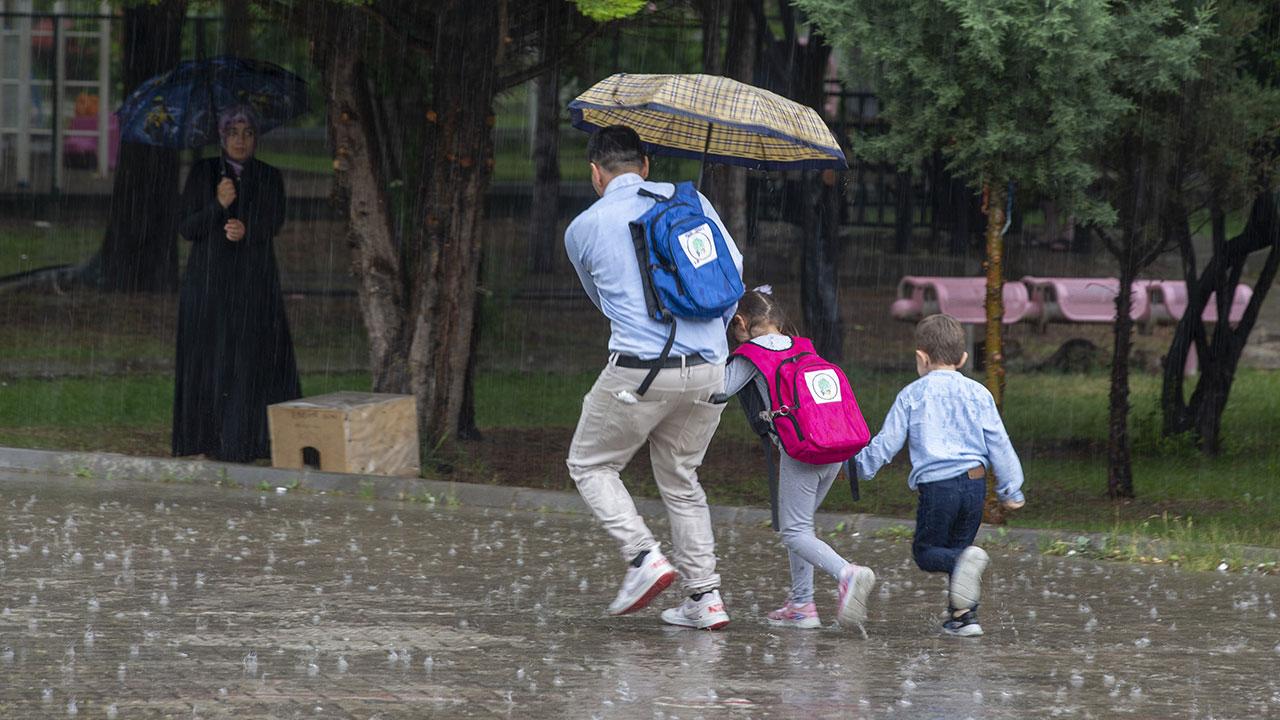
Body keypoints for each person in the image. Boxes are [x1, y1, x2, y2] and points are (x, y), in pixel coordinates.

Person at [564, 125, 743, 630]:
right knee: (682, 479)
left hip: (641, 371)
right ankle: (705, 598)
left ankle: (644, 557)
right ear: (646, 165)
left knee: (590, 464)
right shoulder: (694, 205)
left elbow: (601, 300)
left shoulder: (583, 227)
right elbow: (734, 274)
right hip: (711, 368)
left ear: (596, 174)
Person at [850, 313, 1025, 637]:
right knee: (961, 551)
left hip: (939, 488)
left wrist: (858, 468)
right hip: (975, 484)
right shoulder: (979, 393)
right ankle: (964, 618)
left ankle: (963, 585)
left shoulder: (912, 395)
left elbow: (887, 443)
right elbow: (999, 442)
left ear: (921, 357)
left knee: (928, 552)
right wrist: (1011, 490)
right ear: (963, 357)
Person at [722, 288, 876, 630]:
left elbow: (718, 389)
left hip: (800, 452)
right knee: (802, 527)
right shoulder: (803, 346)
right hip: (832, 446)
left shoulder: (751, 354)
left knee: (793, 532)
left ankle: (847, 573)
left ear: (741, 322)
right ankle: (802, 604)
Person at [172, 105, 301, 463]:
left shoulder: (268, 176)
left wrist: (247, 230)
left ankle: (247, 440)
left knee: (249, 359)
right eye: (233, 133)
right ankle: (208, 438)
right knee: (212, 358)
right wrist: (218, 205)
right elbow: (187, 228)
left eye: (247, 133)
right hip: (210, 283)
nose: (240, 140)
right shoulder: (204, 173)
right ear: (222, 137)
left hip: (252, 282)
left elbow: (274, 220)